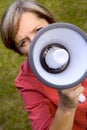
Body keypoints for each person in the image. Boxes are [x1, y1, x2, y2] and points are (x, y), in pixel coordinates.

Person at [0, 0, 87, 130]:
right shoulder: (27, 83)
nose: (36, 43)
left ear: (52, 23)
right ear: (19, 52)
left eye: (38, 30)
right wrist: (66, 108)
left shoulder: (79, 43)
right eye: (23, 42)